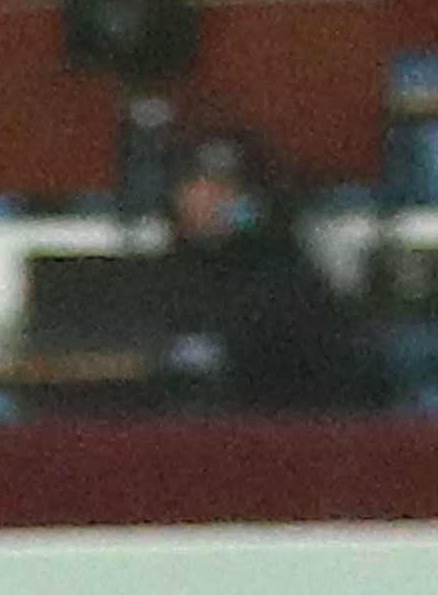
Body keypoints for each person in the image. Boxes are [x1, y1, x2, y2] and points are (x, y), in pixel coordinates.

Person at [151, 130, 384, 415]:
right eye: (193, 185)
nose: (205, 199)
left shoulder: (291, 286)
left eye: (223, 188)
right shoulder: (160, 279)